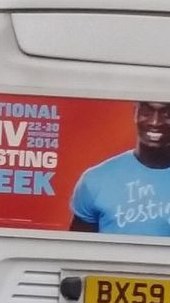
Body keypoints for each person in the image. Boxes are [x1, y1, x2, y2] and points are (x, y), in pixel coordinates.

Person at [71, 101, 170, 236]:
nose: (155, 122)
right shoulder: (96, 179)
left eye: (167, 113)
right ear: (135, 113)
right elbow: (76, 251)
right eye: (147, 112)